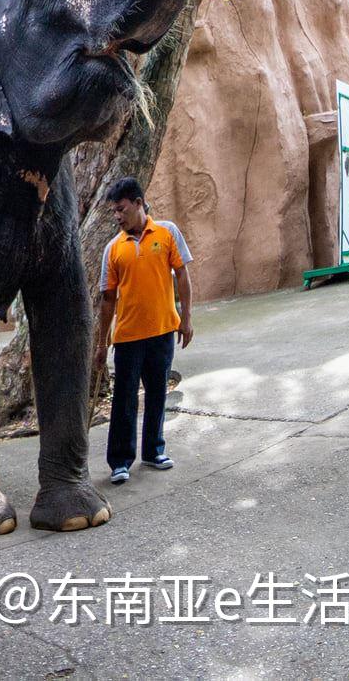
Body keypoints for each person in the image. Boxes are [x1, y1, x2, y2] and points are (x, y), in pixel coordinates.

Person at [94, 177, 195, 485]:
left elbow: (182, 276)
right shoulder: (113, 249)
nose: (118, 217)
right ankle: (120, 462)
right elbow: (107, 299)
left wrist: (186, 319)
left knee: (156, 395)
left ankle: (153, 451)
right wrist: (102, 343)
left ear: (138, 203)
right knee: (124, 399)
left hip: (163, 330)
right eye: (114, 212)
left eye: (121, 209)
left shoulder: (167, 233)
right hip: (126, 337)